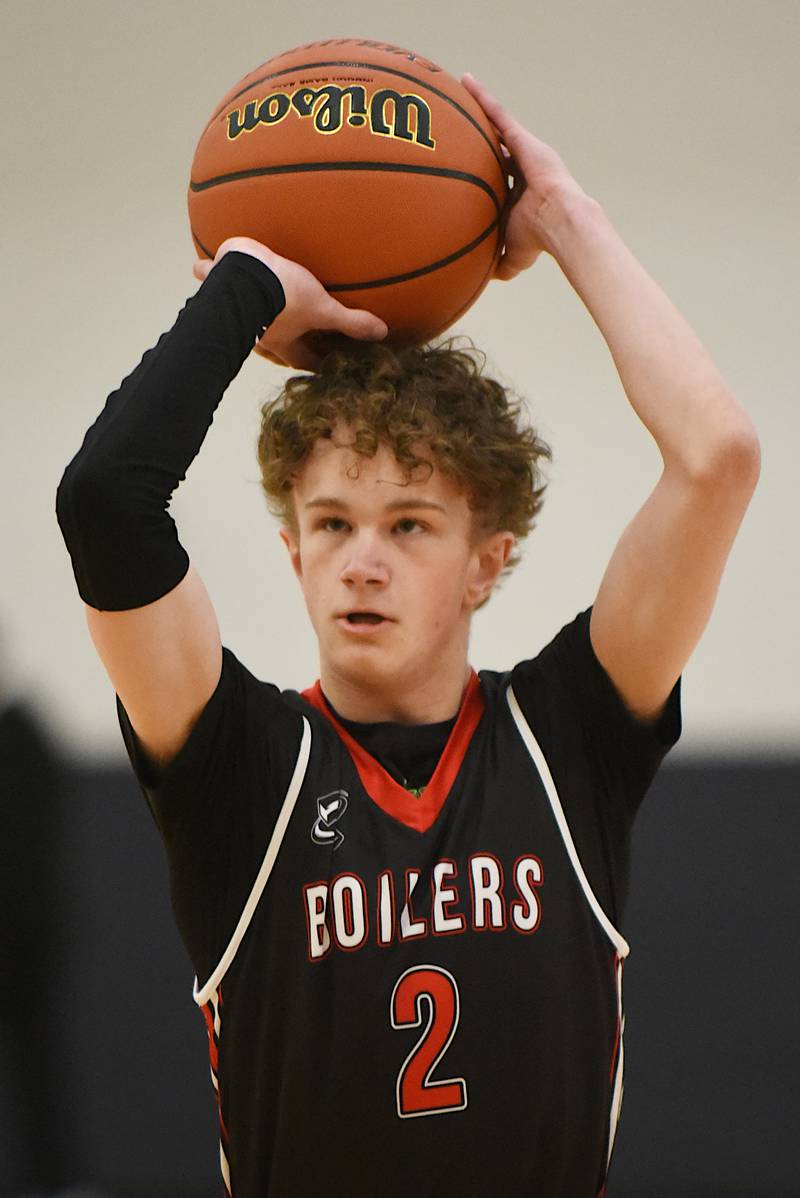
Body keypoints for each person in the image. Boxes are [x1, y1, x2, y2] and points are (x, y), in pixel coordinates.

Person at [55, 72, 760, 1197]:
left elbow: (715, 456)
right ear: (292, 550)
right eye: (330, 521)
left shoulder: (566, 735)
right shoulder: (237, 770)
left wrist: (560, 217)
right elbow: (105, 502)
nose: (361, 557)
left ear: (488, 557)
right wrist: (246, 287)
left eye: (409, 523)